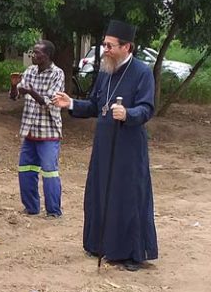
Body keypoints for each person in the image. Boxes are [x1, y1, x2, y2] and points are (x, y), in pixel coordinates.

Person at [52, 20, 157, 271]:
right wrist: (72, 104)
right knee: (101, 192)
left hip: (128, 146)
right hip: (104, 144)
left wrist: (128, 113)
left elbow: (147, 108)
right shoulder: (105, 72)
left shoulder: (142, 73)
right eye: (104, 44)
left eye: (110, 45)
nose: (105, 50)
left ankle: (130, 252)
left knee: (127, 196)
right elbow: (94, 104)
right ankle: (100, 244)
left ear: (126, 47)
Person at [9, 40, 64, 218]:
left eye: (37, 53)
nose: (33, 55)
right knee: (25, 169)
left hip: (48, 132)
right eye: (33, 52)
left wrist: (30, 92)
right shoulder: (30, 71)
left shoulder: (57, 73)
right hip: (29, 130)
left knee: (49, 172)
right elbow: (15, 96)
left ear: (47, 56)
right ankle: (31, 207)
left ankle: (53, 211)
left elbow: (50, 102)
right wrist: (14, 86)